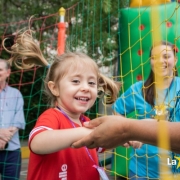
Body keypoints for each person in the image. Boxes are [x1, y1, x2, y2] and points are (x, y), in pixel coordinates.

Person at [4, 30, 120, 180]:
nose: (85, 87)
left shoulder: (87, 122)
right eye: (76, 81)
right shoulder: (53, 117)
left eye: (91, 83)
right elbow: (38, 142)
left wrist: (124, 136)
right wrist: (86, 133)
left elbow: (102, 142)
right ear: (55, 88)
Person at [73, 40, 180, 179]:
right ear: (150, 61)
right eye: (155, 57)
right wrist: (127, 135)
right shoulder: (138, 89)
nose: (160, 61)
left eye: (166, 56)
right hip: (142, 170)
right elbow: (118, 110)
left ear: (175, 59)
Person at [0, 59, 25, 180]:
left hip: (12, 151)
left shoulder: (16, 94)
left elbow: (19, 121)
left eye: (0, 69)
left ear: (8, 72)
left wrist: (4, 137)